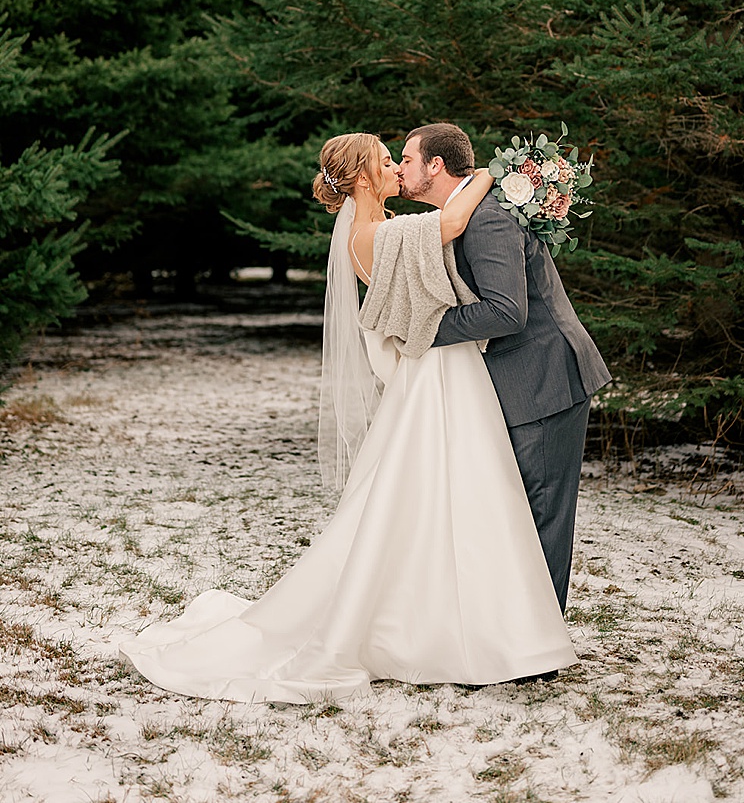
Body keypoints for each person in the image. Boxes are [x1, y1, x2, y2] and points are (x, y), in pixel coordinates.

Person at [119, 132, 577, 703]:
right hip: (434, 367)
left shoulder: (381, 227)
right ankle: (469, 627)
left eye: (399, 159)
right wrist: (492, 177)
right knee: (432, 494)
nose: (395, 168)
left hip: (445, 369)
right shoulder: (375, 233)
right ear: (363, 177)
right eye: (388, 162)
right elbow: (452, 223)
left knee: (451, 494)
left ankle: (489, 622)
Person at [399, 123, 611, 615]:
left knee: (541, 512)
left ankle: (539, 642)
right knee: (516, 510)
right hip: (522, 378)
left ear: (436, 165)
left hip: (545, 377)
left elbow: (506, 312)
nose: (400, 167)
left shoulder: (487, 219)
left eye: (407, 159)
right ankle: (515, 632)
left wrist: (425, 326)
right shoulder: (466, 212)